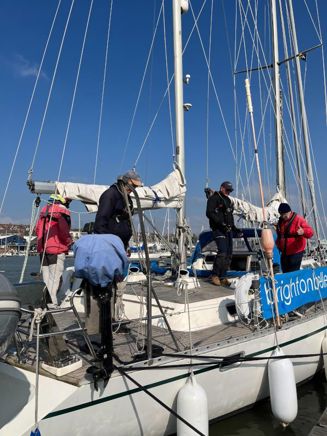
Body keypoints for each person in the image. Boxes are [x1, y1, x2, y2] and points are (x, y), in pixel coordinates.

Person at [35, 194, 73, 306]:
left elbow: (38, 229)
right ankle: (53, 304)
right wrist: (69, 241)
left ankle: (45, 303)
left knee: (46, 279)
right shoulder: (62, 211)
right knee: (55, 279)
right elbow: (63, 231)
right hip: (56, 249)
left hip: (43, 249)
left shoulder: (44, 211)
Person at [94, 170, 143, 249]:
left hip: (121, 244)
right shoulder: (110, 195)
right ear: (125, 181)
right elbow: (100, 223)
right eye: (133, 185)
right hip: (110, 246)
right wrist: (108, 244)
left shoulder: (126, 197)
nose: (133, 189)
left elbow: (127, 221)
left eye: (135, 187)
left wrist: (126, 245)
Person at [206, 181, 242, 286]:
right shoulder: (214, 198)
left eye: (230, 190)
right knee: (222, 251)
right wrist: (221, 224)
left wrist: (235, 229)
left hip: (228, 230)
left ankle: (223, 276)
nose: (228, 192)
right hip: (218, 229)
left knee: (229, 254)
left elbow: (230, 218)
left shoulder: (228, 200)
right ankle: (215, 275)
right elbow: (209, 213)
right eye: (227, 190)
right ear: (222, 188)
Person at [275, 203, 314, 273]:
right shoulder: (280, 222)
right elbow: (279, 235)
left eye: (285, 215)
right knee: (285, 272)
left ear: (290, 212)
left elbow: (311, 232)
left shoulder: (298, 219)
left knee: (293, 272)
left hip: (296, 251)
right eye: (282, 215)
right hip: (284, 252)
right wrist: (278, 245)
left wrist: (303, 231)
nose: (284, 216)